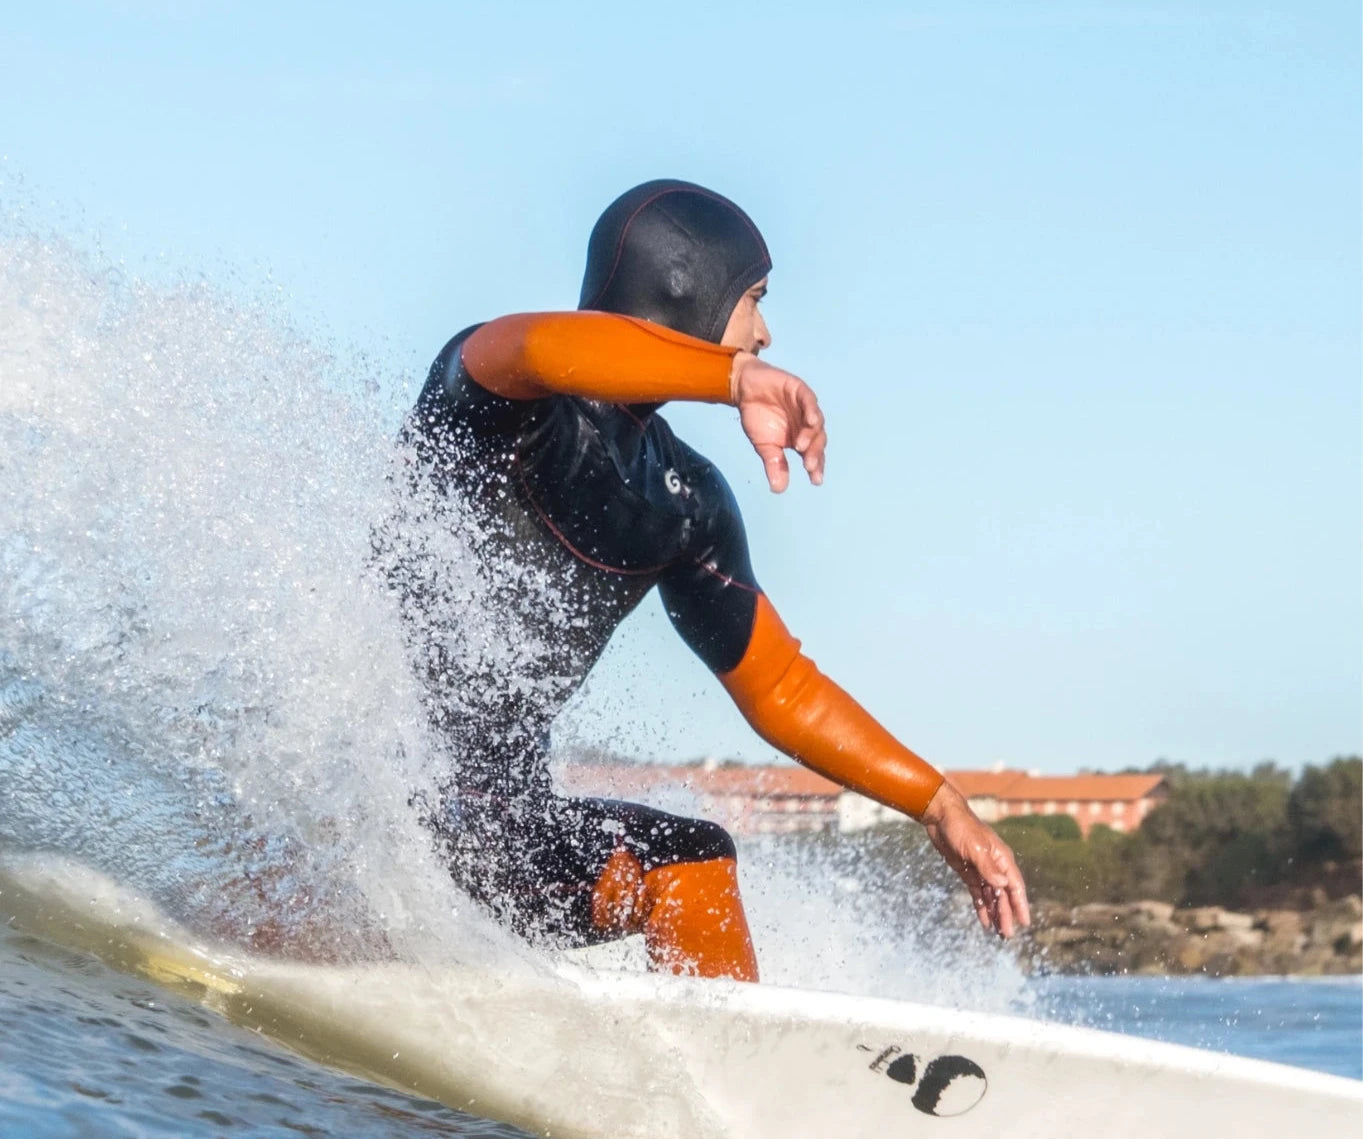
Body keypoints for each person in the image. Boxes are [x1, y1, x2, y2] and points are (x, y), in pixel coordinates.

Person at [390, 179, 1029, 982]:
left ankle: (724, 1081)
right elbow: (537, 347)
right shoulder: (502, 399)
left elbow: (783, 687)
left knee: (688, 864)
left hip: (488, 830)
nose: (763, 332)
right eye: (753, 298)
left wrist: (937, 803)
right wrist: (729, 380)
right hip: (361, 796)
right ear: (684, 291)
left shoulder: (679, 500)